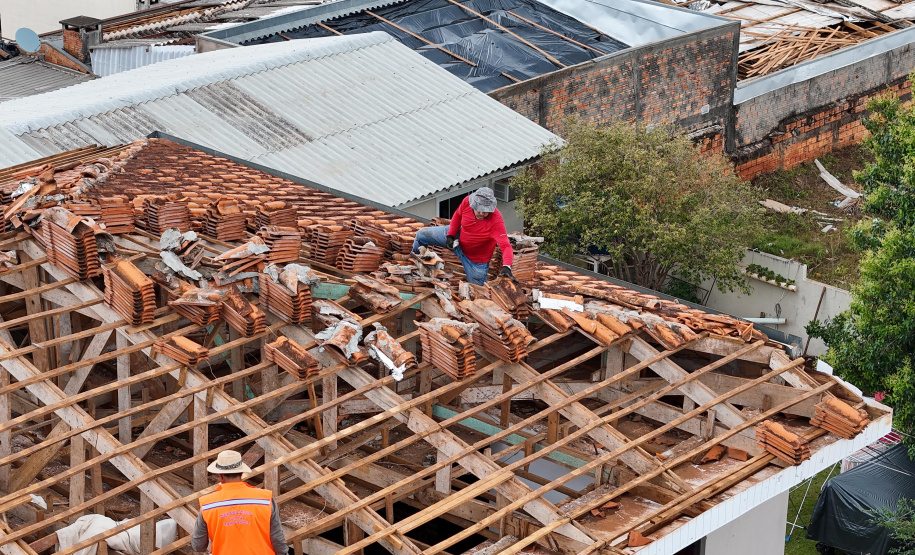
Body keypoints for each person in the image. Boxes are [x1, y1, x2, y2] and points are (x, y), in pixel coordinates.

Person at [191, 450, 287, 555]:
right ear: (241, 472)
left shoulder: (208, 504)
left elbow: (198, 545)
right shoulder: (264, 499)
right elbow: (278, 539)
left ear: (221, 475)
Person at [412, 187, 515, 285]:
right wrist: (450, 235)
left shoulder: (496, 221)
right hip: (457, 237)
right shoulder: (467, 201)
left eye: (485, 210)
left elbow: (505, 246)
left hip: (476, 261)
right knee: (421, 234)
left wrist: (506, 266)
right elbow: (457, 215)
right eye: (478, 209)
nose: (481, 213)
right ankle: (415, 259)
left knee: (478, 292)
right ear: (473, 204)